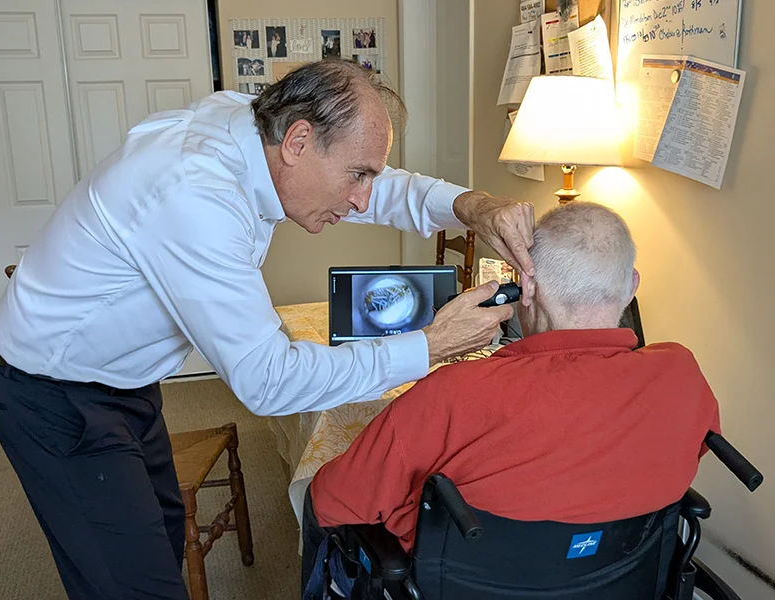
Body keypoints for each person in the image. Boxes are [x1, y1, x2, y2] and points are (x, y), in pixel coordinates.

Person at [0, 59, 535, 600]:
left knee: (162, 532)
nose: (364, 197)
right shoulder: (194, 192)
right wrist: (431, 344)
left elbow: (382, 189)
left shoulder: (256, 125)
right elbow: (269, 380)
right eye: (358, 175)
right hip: (52, 387)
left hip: (125, 380)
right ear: (297, 142)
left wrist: (473, 205)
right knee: (131, 582)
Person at [302, 201, 721, 590]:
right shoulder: (680, 373)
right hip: (618, 585)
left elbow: (332, 500)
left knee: (309, 496)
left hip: (462, 587)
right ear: (631, 287)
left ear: (527, 287)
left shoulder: (451, 392)